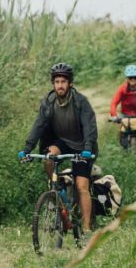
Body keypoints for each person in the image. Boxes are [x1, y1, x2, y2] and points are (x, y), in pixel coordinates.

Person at [17, 62, 98, 233]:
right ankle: (57, 188)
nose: (60, 85)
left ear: (70, 83)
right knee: (49, 156)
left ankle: (86, 228)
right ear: (53, 84)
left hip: (83, 145)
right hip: (63, 142)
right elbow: (39, 125)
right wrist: (27, 148)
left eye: (63, 81)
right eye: (57, 82)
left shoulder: (80, 102)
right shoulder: (48, 102)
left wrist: (88, 148)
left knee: (81, 185)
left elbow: (90, 127)